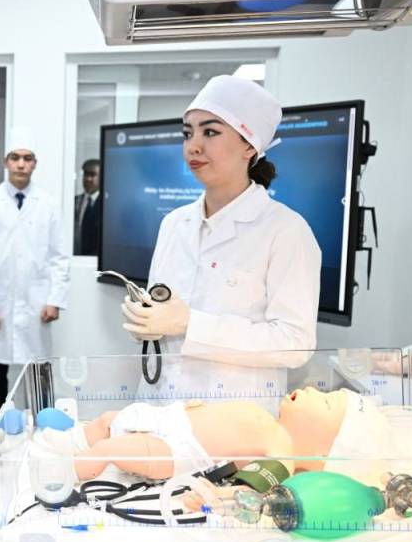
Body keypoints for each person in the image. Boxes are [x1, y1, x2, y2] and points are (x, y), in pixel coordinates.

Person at [121, 76, 321, 357]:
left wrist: (190, 325)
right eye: (187, 134)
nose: (193, 146)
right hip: (163, 385)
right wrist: (147, 321)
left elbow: (296, 343)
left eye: (210, 132)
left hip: (236, 388)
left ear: (249, 146)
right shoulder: (174, 223)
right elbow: (164, 311)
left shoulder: (286, 230)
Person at [36, 387, 390, 485]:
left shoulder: (282, 450)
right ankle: (74, 439)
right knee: (109, 420)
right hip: (172, 419)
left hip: (179, 449)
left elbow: (254, 486)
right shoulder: (272, 426)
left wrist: (220, 497)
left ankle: (63, 473)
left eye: (325, 401)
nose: (312, 389)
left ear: (324, 453)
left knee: (112, 448)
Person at [0, 136, 70, 422]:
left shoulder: (49, 204)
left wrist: (55, 300)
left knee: (39, 368)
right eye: (15, 158)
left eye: (27, 158)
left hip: (37, 300)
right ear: (6, 162)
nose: (21, 164)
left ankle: (44, 426)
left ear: (35, 164)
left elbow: (60, 256)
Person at [73, 158, 100, 256]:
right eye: (86, 174)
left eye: (92, 175)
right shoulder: (75, 201)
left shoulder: (106, 205)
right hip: (76, 257)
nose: (88, 179)